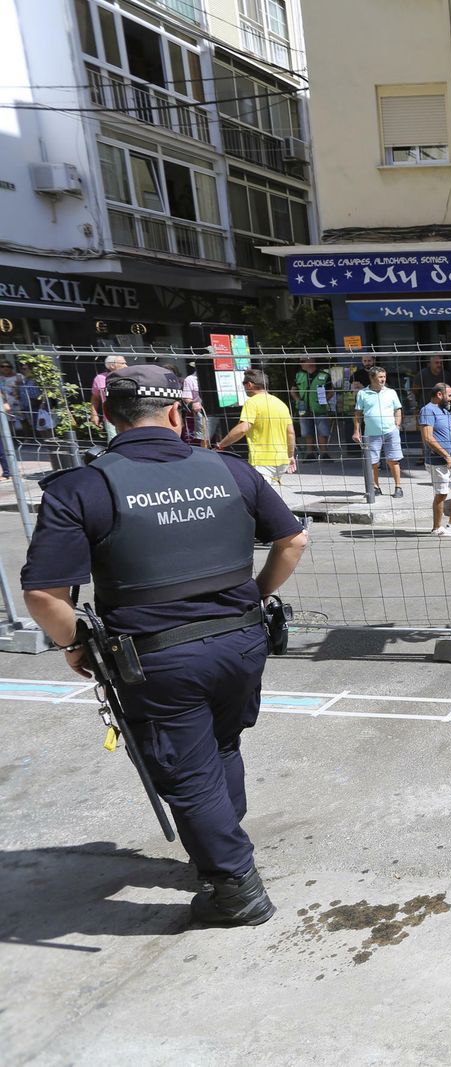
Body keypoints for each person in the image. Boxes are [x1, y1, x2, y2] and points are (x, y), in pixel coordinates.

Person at [20, 363, 308, 925]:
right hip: (242, 643)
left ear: (106, 415)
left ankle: (234, 888)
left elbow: (43, 596)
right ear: (178, 412)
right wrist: (254, 594)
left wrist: (74, 646)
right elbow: (293, 539)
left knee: (185, 769)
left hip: (156, 659)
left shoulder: (84, 486)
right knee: (222, 745)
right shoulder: (231, 471)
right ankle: (221, 841)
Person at [216, 370, 296, 502]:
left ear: (250, 385)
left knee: (262, 501)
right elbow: (291, 432)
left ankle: (294, 521)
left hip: (262, 461)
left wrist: (221, 444)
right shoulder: (280, 403)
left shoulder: (252, 402)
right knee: (270, 499)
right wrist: (290, 455)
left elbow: (242, 429)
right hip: (281, 460)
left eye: (243, 384)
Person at [419, 381, 451, 537]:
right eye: (449, 396)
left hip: (450, 459)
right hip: (438, 461)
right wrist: (445, 455)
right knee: (442, 493)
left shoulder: (445, 412)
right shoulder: (427, 410)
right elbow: (428, 438)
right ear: (439, 395)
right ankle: (437, 528)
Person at [353, 366, 404, 498]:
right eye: (380, 377)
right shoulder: (362, 393)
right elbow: (358, 414)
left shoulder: (391, 392)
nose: (383, 379)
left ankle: (398, 487)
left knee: (394, 460)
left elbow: (398, 409)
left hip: (390, 431)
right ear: (372, 377)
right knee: (372, 462)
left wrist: (397, 425)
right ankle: (375, 487)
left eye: (384, 377)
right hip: (371, 433)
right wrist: (356, 431)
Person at [292, 359, 333, 461]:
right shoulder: (298, 375)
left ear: (311, 362)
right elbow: (293, 390)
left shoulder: (324, 375)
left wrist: (324, 401)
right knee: (306, 432)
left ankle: (324, 453)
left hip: (320, 408)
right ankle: (310, 453)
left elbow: (331, 392)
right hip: (303, 408)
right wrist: (298, 401)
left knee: (323, 431)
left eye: (302, 361)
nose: (300, 363)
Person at [89, 353, 128, 440]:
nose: (126, 366)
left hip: (127, 415)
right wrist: (94, 414)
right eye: (123, 363)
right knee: (114, 441)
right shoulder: (100, 378)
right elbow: (95, 398)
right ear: (112, 365)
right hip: (110, 417)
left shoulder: (129, 377)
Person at [180, 364, 209, 449]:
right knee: (205, 438)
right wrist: (193, 403)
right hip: (202, 413)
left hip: (220, 410)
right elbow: (186, 397)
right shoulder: (190, 379)